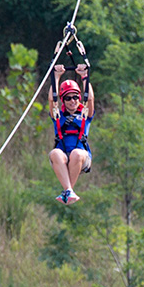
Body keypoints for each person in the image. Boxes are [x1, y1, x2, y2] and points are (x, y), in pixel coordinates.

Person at [48, 63, 94, 205]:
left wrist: (84, 77)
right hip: (63, 155)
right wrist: (56, 77)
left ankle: (68, 191)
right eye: (68, 98)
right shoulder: (58, 115)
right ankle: (68, 191)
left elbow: (90, 99)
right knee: (54, 153)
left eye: (75, 97)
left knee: (76, 153)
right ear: (63, 100)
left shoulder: (85, 114)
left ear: (79, 97)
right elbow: (51, 100)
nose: (72, 101)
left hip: (81, 156)